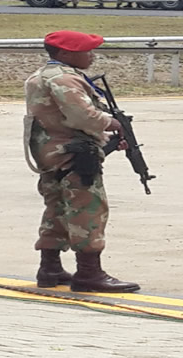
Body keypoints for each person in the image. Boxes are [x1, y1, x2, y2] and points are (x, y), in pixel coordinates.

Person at [24, 30, 140, 293]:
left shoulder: (40, 76)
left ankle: (50, 267)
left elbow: (57, 119)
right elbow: (82, 116)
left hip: (50, 154)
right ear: (65, 53)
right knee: (88, 210)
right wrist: (112, 123)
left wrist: (103, 139)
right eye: (85, 51)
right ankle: (89, 272)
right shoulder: (65, 79)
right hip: (74, 155)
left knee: (56, 209)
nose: (92, 55)